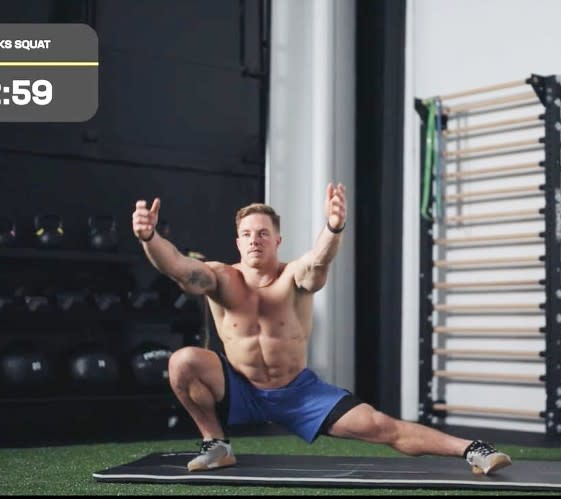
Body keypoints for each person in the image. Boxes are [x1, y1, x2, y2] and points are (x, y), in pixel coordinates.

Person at [131, 183, 512, 476]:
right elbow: (178, 267)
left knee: (381, 426)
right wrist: (150, 238)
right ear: (237, 241)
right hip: (239, 385)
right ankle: (216, 445)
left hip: (299, 393)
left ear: (277, 240)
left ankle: (473, 449)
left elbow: (318, 261)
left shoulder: (293, 275)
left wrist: (334, 226)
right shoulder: (220, 278)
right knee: (183, 361)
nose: (254, 240)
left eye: (263, 233)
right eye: (247, 234)